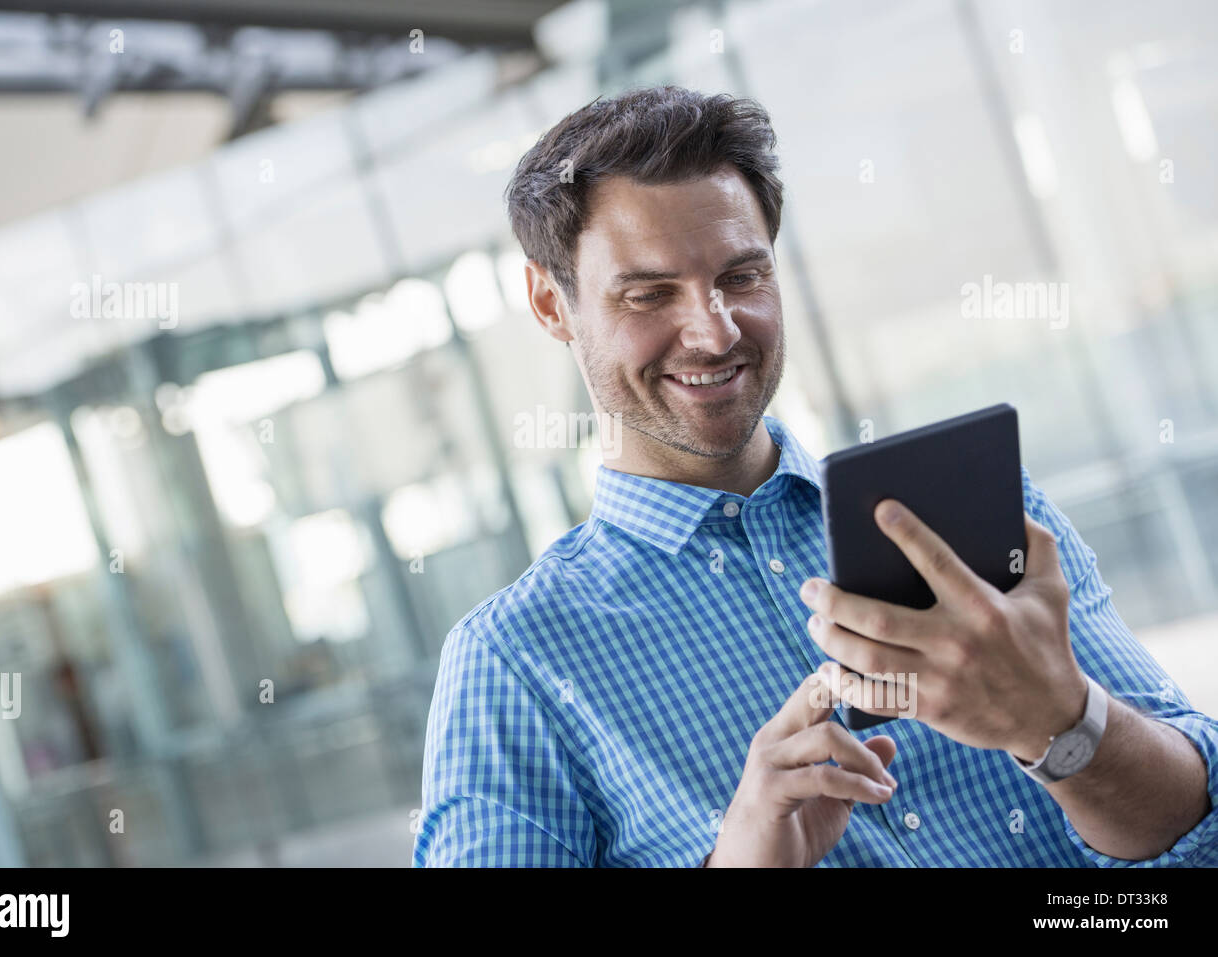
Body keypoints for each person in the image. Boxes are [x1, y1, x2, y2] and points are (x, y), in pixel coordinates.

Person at [412, 86, 1218, 867]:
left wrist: (1064, 726)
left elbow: (1199, 829)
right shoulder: (513, 663)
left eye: (741, 276)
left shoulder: (975, 518)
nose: (714, 329)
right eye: (650, 293)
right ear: (551, 306)